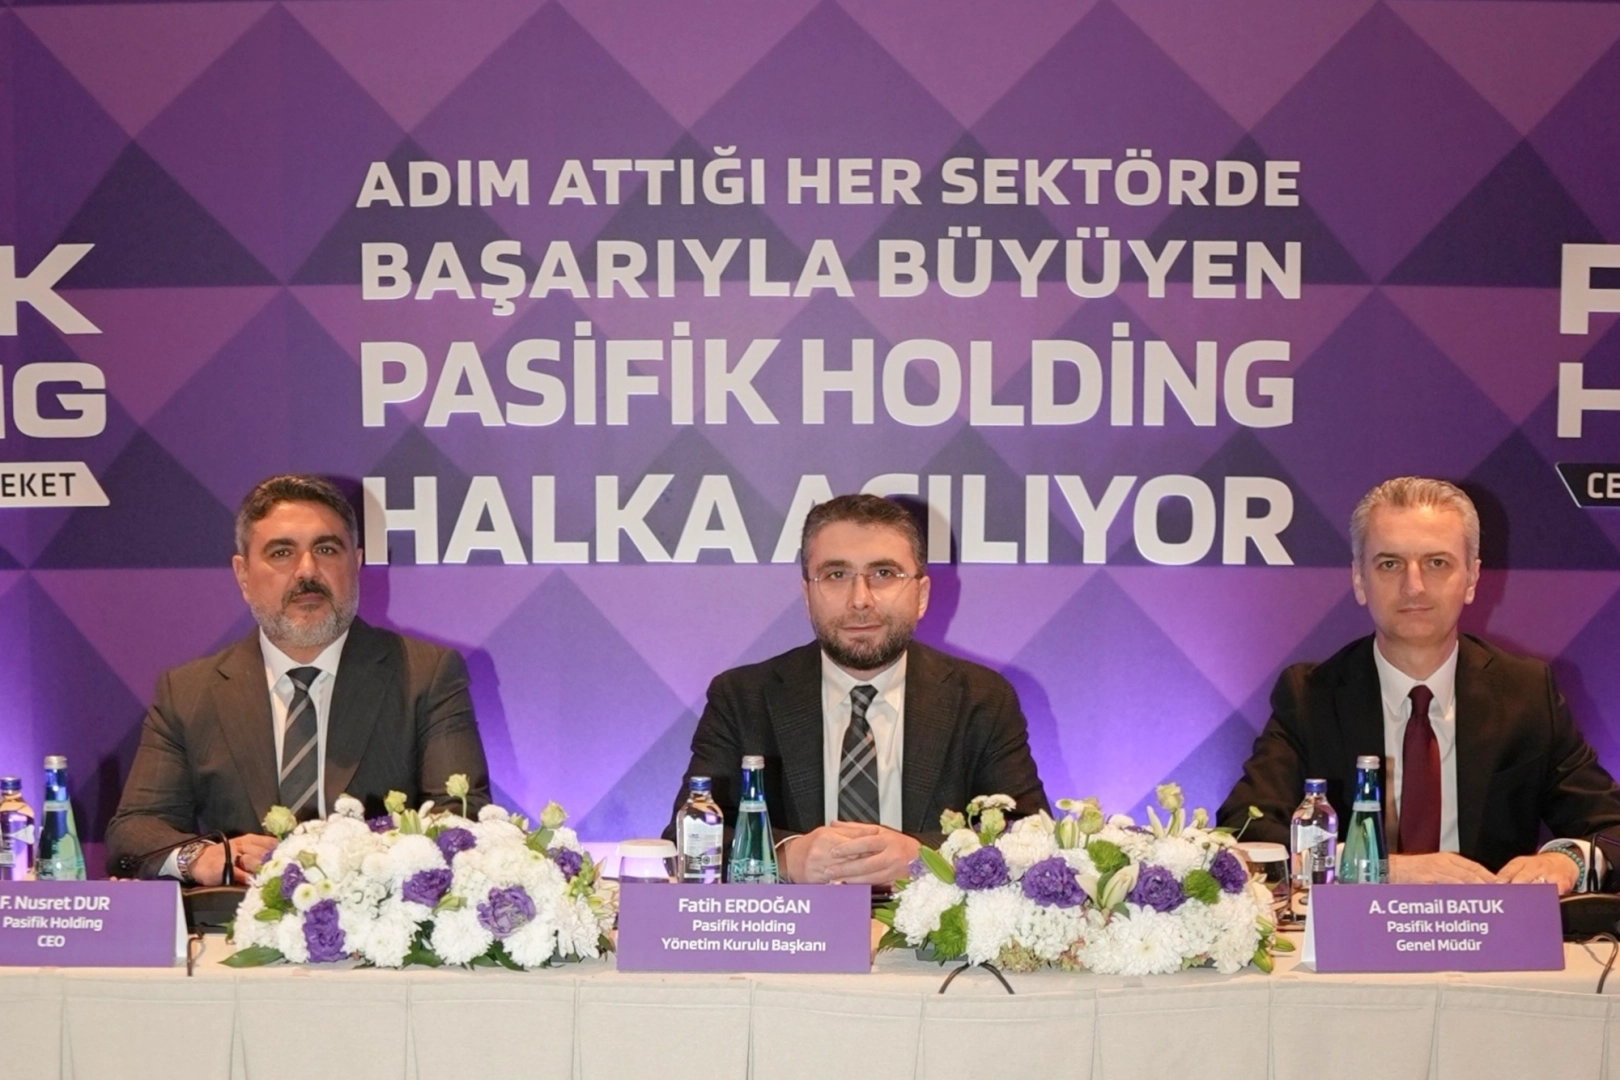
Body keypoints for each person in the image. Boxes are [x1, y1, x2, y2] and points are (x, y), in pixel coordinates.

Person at [1219, 476, 1620, 894]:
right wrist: (1377, 868)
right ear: (1359, 580)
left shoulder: (1527, 694)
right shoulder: (1310, 697)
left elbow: (1612, 830)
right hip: (1352, 932)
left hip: (1487, 931)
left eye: (1437, 563)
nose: (1414, 586)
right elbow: (1245, 831)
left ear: (1472, 579)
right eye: (1390, 564)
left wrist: (1568, 860)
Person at [106, 474, 490, 884]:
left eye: (326, 549)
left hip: (380, 916)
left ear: (356, 563)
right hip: (234, 919)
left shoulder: (425, 674)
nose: (307, 570)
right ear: (243, 575)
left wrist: (358, 867)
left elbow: (461, 818)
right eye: (281, 553)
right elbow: (134, 830)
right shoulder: (188, 693)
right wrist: (198, 857)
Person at [669, 493, 1049, 885]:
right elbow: (688, 839)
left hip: (929, 925)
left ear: (921, 596)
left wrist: (925, 858)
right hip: (793, 923)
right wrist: (783, 858)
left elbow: (1031, 838)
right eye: (836, 575)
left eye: (884, 573)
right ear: (808, 596)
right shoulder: (743, 697)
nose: (860, 600)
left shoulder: (982, 698)